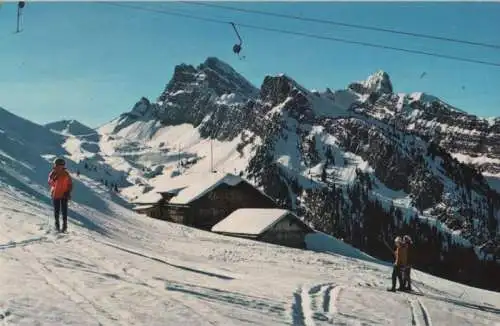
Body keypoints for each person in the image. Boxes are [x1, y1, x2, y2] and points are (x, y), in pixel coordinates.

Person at [48, 157, 73, 232]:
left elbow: (70, 184)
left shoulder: (66, 173)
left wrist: (68, 192)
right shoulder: (53, 173)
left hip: (64, 194)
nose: (59, 167)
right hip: (56, 194)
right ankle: (57, 225)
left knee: (64, 210)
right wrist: (53, 179)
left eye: (60, 165)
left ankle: (64, 225)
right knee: (57, 210)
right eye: (57, 165)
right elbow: (50, 182)